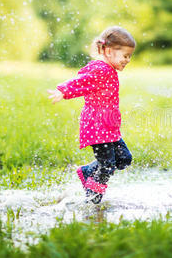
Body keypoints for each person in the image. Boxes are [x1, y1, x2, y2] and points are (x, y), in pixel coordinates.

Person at [47, 26, 135, 204]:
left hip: (108, 126)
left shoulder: (108, 70)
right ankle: (93, 197)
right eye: (125, 56)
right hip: (97, 127)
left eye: (129, 56)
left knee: (124, 158)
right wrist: (63, 91)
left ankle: (87, 171)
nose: (128, 60)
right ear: (109, 51)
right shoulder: (100, 69)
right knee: (107, 165)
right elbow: (81, 80)